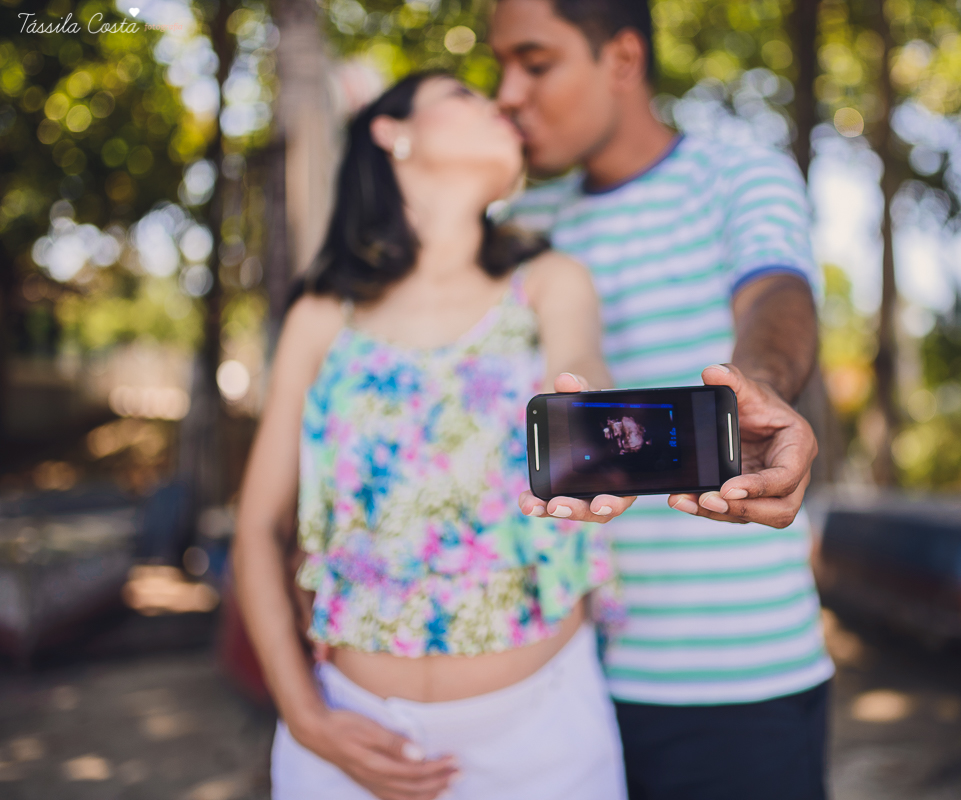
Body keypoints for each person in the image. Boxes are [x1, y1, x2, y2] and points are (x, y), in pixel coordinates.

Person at [232, 71, 627, 800]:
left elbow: (581, 368)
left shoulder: (548, 282)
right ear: (391, 130)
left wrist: (585, 414)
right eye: (468, 97)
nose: (502, 104)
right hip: (348, 735)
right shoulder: (323, 315)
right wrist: (308, 718)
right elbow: (256, 528)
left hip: (542, 736)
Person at [490, 1, 834, 798]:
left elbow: (777, 294)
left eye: (535, 63)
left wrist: (765, 388)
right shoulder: (518, 225)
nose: (509, 93)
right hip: (556, 677)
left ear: (620, 58)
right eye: (501, 66)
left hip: (743, 680)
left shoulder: (740, 173)